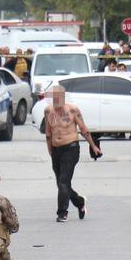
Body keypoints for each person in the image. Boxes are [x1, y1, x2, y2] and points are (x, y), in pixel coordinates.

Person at [43, 85, 101, 223]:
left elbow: (83, 129)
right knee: (61, 183)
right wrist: (50, 151)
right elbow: (48, 132)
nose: (57, 100)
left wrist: (93, 146)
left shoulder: (72, 110)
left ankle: (62, 213)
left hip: (71, 148)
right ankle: (80, 202)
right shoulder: (48, 110)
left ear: (63, 97)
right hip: (56, 150)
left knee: (63, 181)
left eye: (59, 96)